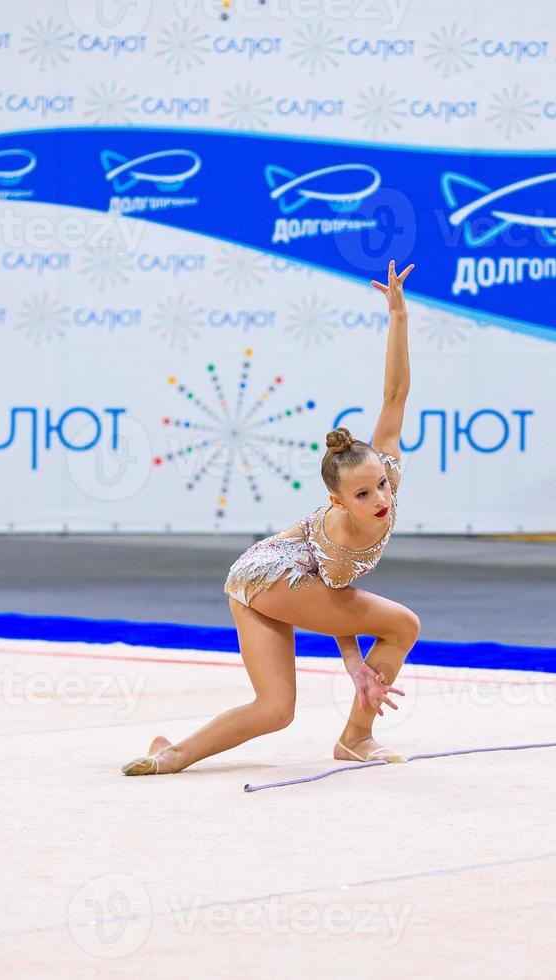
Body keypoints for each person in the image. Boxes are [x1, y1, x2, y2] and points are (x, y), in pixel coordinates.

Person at [122, 260, 421, 775]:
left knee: (275, 709)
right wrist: (353, 664)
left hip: (248, 579)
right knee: (402, 625)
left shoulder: (383, 469)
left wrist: (398, 316)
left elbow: (395, 394)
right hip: (277, 573)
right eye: (365, 493)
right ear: (338, 502)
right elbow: (339, 605)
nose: (382, 498)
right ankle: (356, 737)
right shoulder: (340, 533)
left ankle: (171, 754)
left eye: (383, 484)